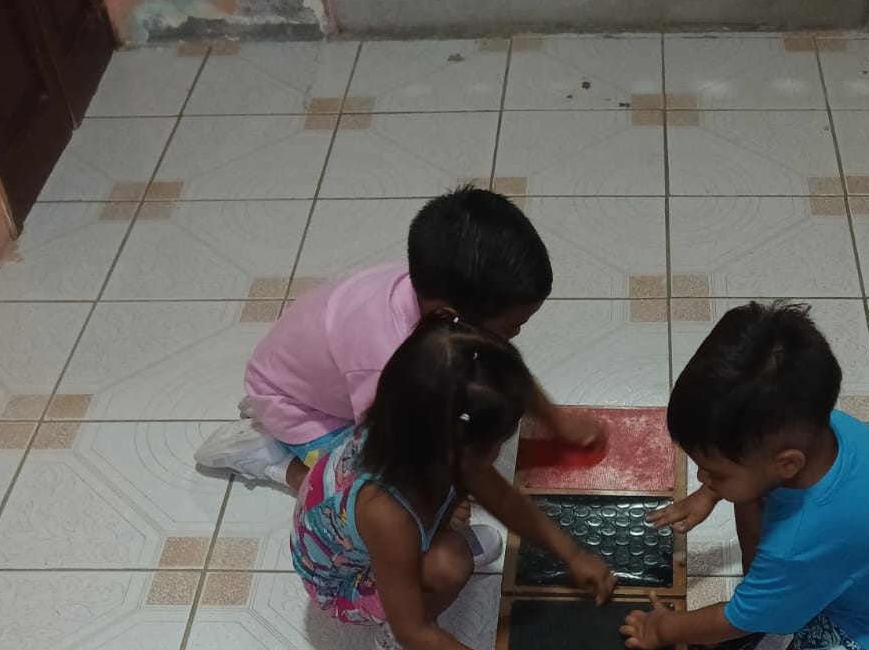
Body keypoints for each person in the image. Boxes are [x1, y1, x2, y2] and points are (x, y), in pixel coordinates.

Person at [620, 302, 869, 650]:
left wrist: (664, 629)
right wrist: (712, 492)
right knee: (749, 493)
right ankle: (779, 590)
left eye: (714, 472)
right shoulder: (821, 427)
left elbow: (739, 619)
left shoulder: (797, 544)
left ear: (787, 463)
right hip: (847, 565)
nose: (700, 477)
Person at [291, 311, 614, 650]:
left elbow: (503, 499)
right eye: (501, 439)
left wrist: (572, 554)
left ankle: (432, 546)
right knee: (450, 564)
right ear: (456, 451)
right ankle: (390, 640)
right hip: (343, 583)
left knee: (455, 524)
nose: (505, 445)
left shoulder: (422, 430)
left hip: (374, 531)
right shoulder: (388, 516)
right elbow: (414, 630)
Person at [195, 185, 604, 489]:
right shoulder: (389, 362)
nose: (515, 335)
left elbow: (504, 362)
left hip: (328, 376)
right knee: (360, 487)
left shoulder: (438, 295)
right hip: (296, 403)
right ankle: (271, 457)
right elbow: (388, 451)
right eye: (509, 327)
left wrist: (558, 421)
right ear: (452, 316)